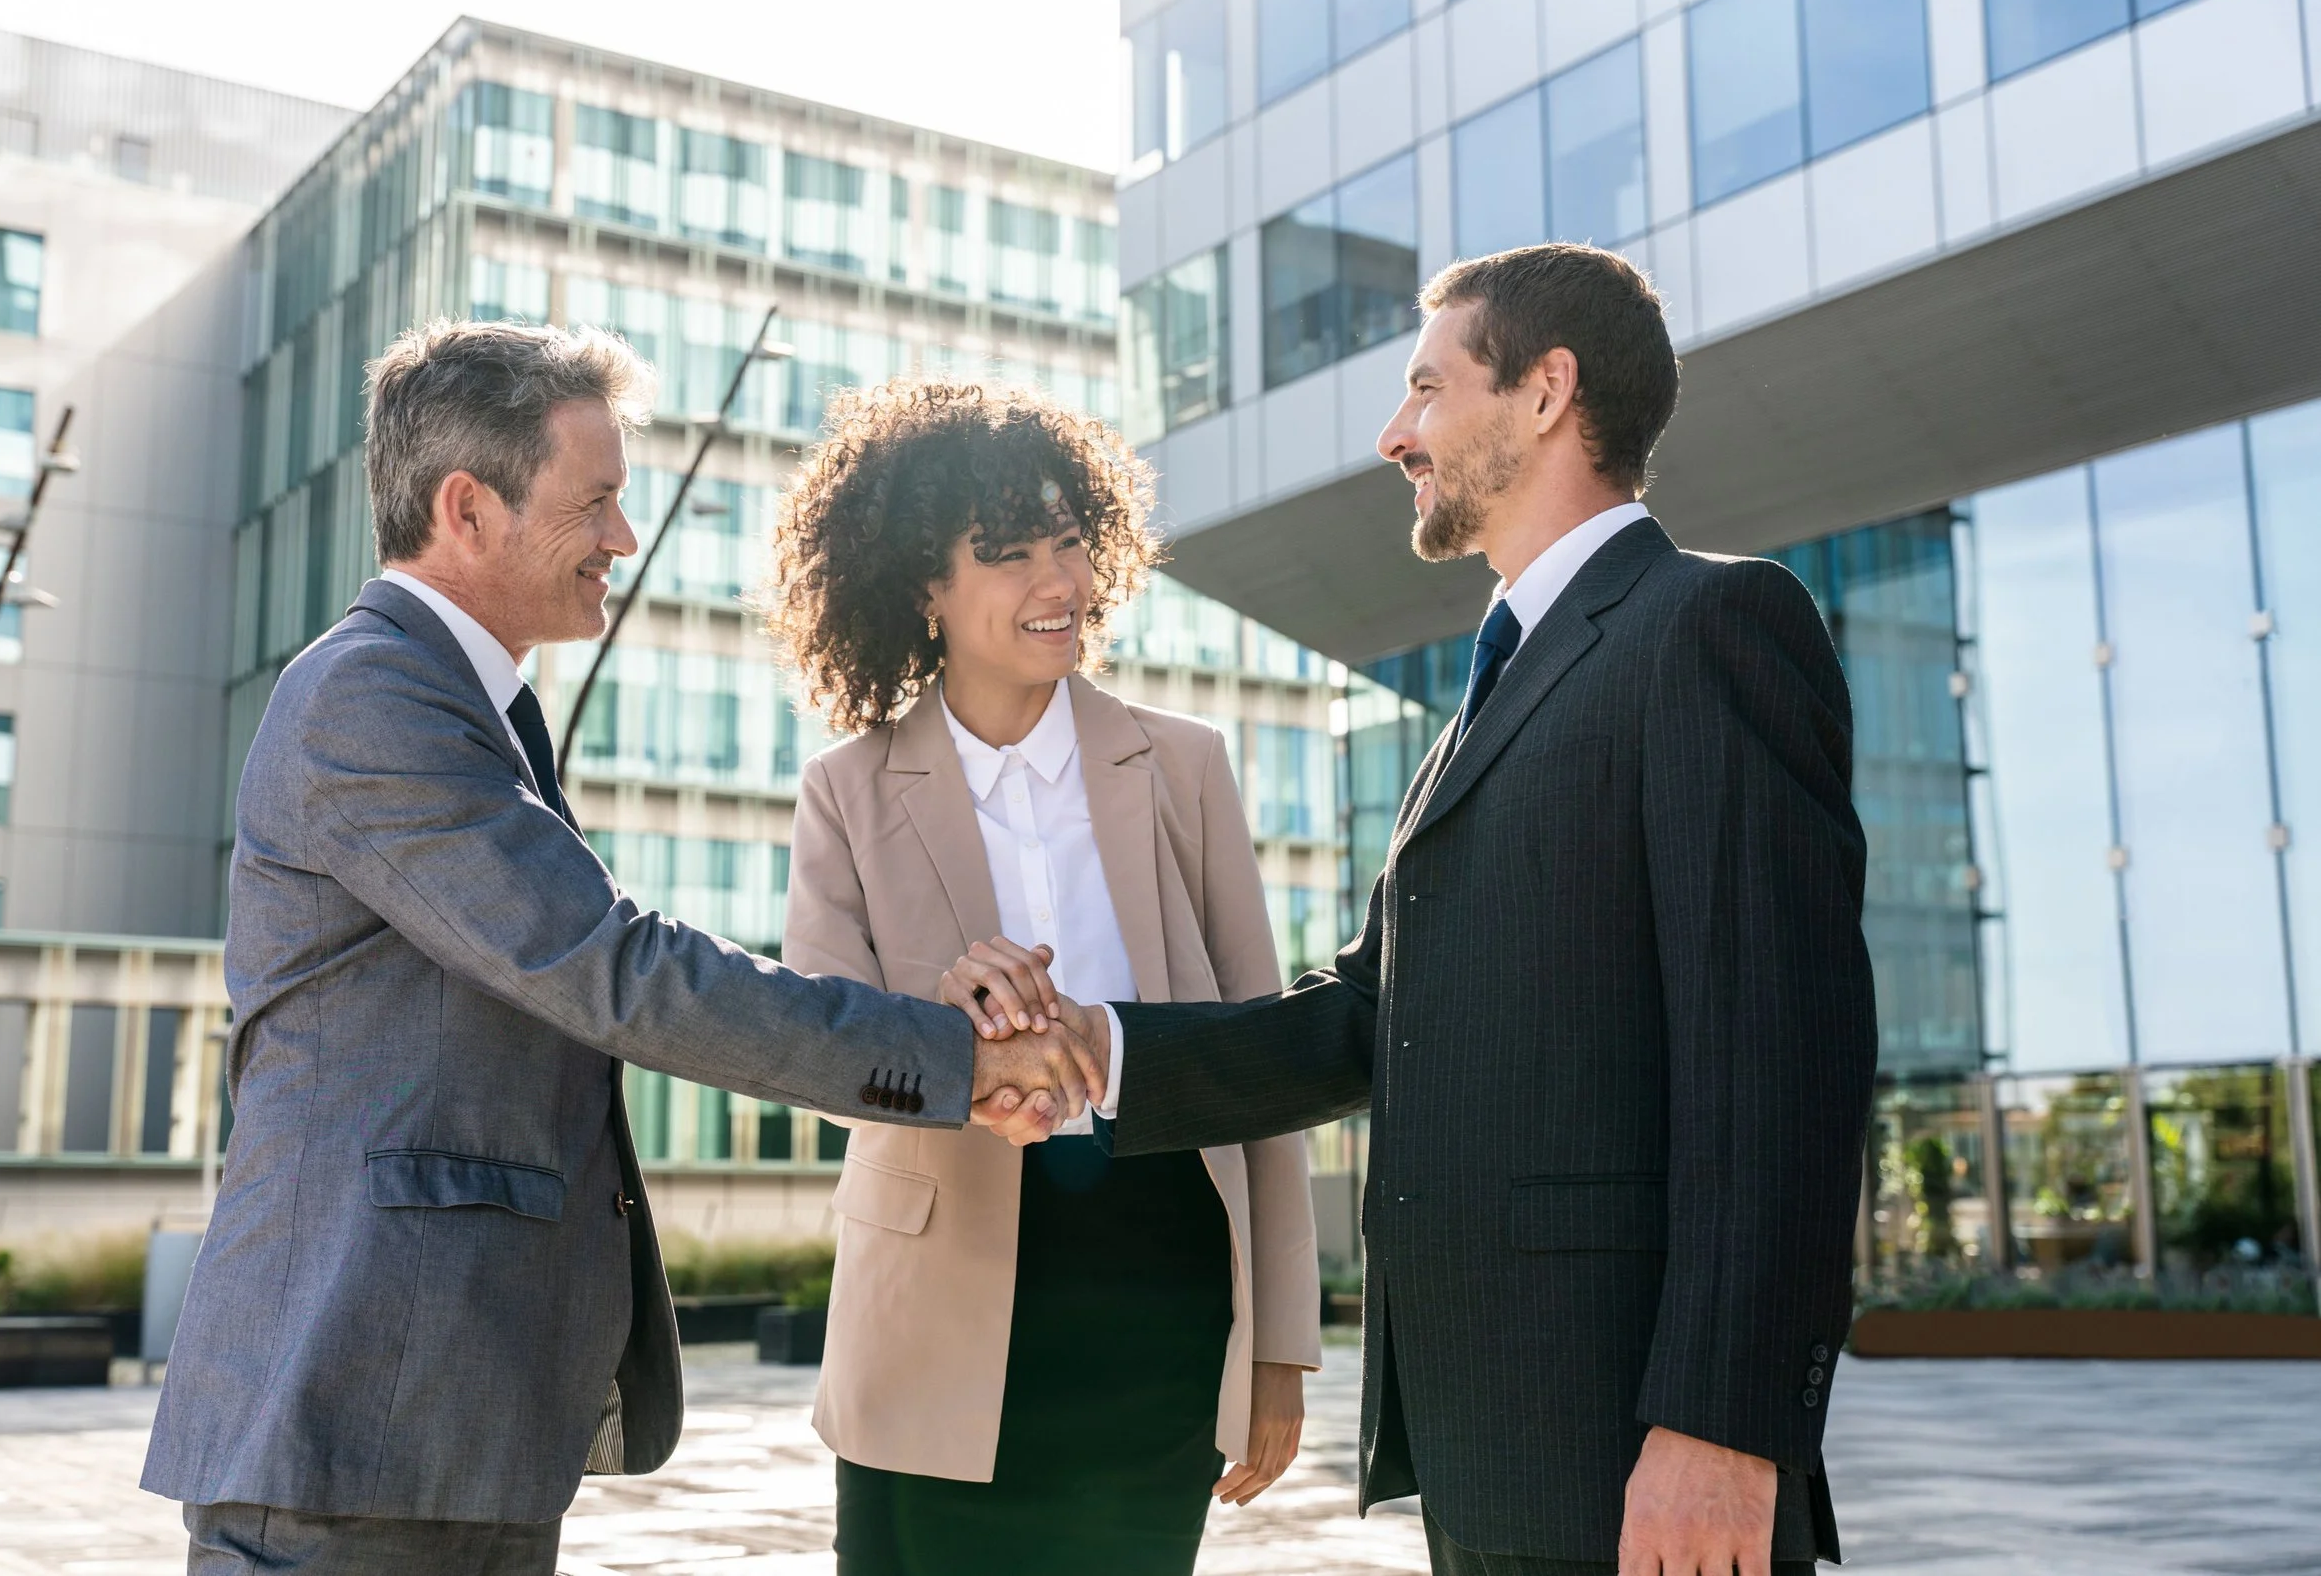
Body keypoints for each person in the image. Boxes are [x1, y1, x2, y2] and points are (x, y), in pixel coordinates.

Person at [142, 322, 1101, 1576]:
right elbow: (610, 968)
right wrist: (952, 1061)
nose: (621, 539)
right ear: (467, 508)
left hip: (438, 1414)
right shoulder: (368, 699)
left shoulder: (473, 706)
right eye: (594, 501)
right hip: (351, 1406)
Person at [977, 246, 1880, 1576]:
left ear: (1546, 393)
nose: (1397, 435)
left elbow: (1781, 1068)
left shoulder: (1712, 626)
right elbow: (1363, 1019)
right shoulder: (1483, 706)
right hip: (1488, 1442)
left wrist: (1724, 1429)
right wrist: (1095, 1058)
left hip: (1633, 1449)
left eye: (1425, 389)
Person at [765, 378, 1323, 1575]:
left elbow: (1264, 1060)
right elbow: (815, 1052)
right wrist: (941, 1027)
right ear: (924, 585)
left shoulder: (1183, 768)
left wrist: (1279, 1342)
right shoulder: (845, 793)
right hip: (931, 1306)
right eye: (1009, 553)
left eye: (1071, 541)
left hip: (1158, 1287)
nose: (1057, 583)